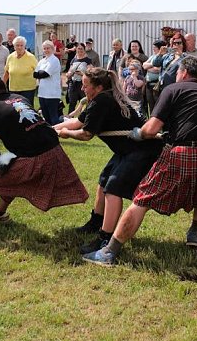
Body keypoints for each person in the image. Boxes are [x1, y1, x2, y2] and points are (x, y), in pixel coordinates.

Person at [83, 56, 197, 266]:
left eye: (177, 71)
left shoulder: (173, 89)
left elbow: (151, 129)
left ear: (184, 73)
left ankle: (109, 252)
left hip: (184, 152)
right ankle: (194, 232)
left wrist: (139, 133)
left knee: (142, 199)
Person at [0, 77, 88, 241]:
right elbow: (21, 126)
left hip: (35, 156)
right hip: (53, 150)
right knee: (3, 168)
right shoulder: (19, 98)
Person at [57, 67, 164, 254]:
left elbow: (85, 134)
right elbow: (78, 122)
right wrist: (52, 128)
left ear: (98, 87)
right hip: (127, 149)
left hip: (142, 150)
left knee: (113, 189)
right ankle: (96, 222)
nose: (82, 89)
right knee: (104, 180)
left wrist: (66, 133)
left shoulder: (102, 101)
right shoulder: (101, 98)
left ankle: (105, 238)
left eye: (86, 85)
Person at [34, 40, 63, 125]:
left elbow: (45, 74)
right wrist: (40, 73)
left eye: (48, 48)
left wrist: (40, 73)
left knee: (53, 117)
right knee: (46, 117)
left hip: (52, 94)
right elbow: (35, 74)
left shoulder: (54, 60)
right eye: (44, 48)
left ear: (53, 49)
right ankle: (49, 132)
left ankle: (56, 132)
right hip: (42, 93)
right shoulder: (42, 61)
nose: (46, 50)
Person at [3, 35, 37, 103]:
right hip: (13, 89)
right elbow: (7, 72)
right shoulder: (10, 57)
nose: (19, 47)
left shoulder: (31, 57)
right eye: (17, 45)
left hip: (28, 90)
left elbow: (37, 72)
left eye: (21, 45)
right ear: (14, 46)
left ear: (25, 46)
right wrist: (3, 85)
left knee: (26, 108)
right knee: (14, 108)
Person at [66, 42, 93, 113]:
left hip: (83, 84)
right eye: (78, 48)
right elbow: (69, 71)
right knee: (72, 103)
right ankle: (70, 118)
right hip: (73, 84)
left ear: (84, 50)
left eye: (81, 49)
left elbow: (91, 74)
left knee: (85, 102)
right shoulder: (73, 60)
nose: (79, 50)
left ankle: (84, 117)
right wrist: (69, 74)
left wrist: (82, 74)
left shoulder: (88, 60)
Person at [142, 40, 168, 116]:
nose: (153, 49)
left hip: (157, 85)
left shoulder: (165, 57)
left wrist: (149, 67)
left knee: (158, 105)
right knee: (150, 105)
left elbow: (159, 69)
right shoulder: (153, 56)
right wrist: (153, 65)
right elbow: (144, 65)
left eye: (155, 47)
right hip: (148, 84)